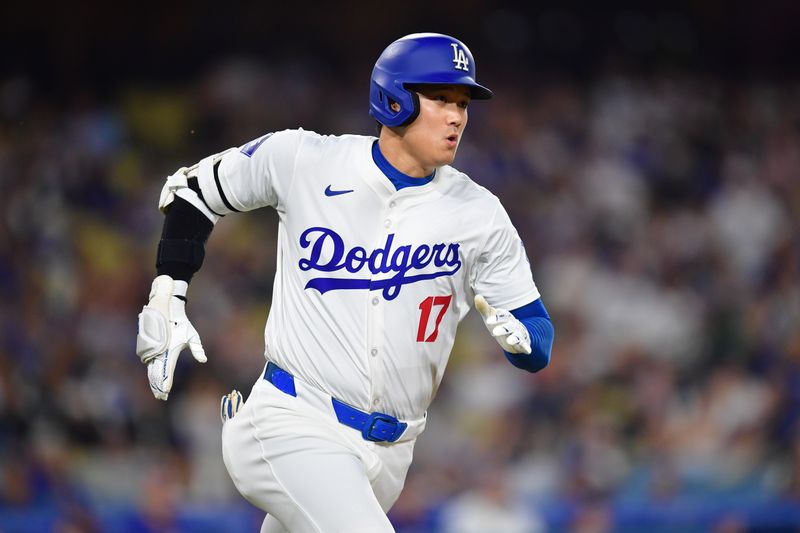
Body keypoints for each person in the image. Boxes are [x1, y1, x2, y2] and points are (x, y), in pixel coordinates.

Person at [135, 32, 555, 532]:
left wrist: (523, 342)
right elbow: (194, 190)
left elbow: (538, 337)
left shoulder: (479, 213)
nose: (457, 116)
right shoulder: (306, 160)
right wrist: (168, 291)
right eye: (441, 98)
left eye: (463, 103)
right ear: (394, 98)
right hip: (292, 422)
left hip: (391, 454)